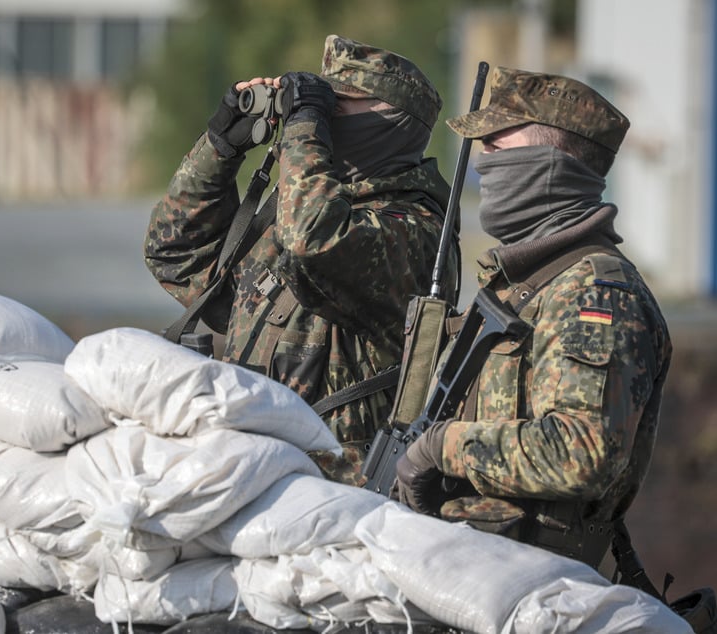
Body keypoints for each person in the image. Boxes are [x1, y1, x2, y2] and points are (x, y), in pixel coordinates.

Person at [394, 66, 672, 575]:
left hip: (531, 583)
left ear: (549, 162)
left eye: (497, 147)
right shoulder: (526, 283)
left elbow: (582, 451)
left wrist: (443, 447)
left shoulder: (595, 293)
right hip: (470, 567)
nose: (484, 163)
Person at [144, 35, 458, 485]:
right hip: (254, 465)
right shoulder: (304, 205)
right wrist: (220, 149)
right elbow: (173, 253)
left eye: (338, 105)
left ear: (390, 121)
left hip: (335, 485)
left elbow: (314, 238)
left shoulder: (414, 229)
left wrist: (304, 126)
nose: (324, 119)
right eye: (321, 105)